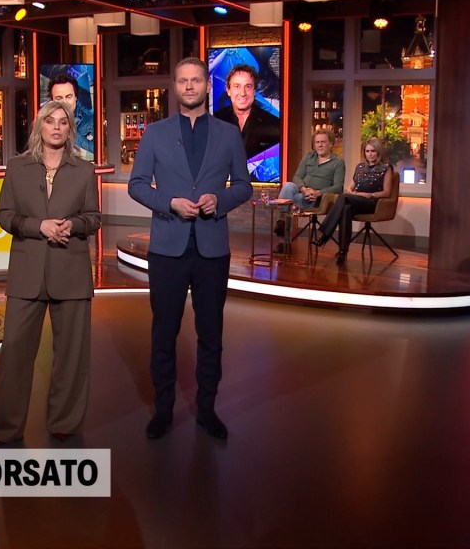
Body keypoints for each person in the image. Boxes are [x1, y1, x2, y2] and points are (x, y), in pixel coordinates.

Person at [128, 57, 253, 441]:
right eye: (182, 80)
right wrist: (169, 203)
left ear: (206, 85)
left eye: (195, 80)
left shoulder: (228, 134)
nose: (189, 86)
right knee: (164, 332)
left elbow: (243, 186)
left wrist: (220, 199)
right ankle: (163, 410)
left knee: (211, 334)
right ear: (175, 86)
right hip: (168, 248)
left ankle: (207, 409)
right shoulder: (155, 133)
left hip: (212, 248)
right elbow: (137, 184)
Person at [0, 100, 101, 446]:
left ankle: (64, 423)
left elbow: (93, 218)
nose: (56, 127)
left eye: (63, 122)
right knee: (14, 354)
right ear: (40, 126)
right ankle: (7, 429)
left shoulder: (83, 170)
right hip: (27, 272)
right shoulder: (18, 167)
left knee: (71, 356)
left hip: (71, 272)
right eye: (50, 121)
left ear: (70, 129)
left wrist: (72, 225)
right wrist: (38, 226)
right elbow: (4, 214)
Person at [314, 137, 393, 266]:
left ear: (379, 152)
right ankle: (342, 252)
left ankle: (325, 234)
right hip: (356, 200)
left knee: (344, 197)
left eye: (373, 151)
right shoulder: (360, 167)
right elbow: (350, 188)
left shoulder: (386, 168)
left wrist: (368, 195)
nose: (370, 154)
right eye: (367, 151)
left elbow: (387, 192)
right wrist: (352, 192)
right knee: (346, 208)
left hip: (372, 203)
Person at [273, 129, 346, 245]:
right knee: (288, 186)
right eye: (317, 142)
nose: (320, 145)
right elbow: (297, 176)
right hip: (302, 193)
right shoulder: (309, 156)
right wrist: (304, 189)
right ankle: (282, 224)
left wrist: (318, 193)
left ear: (331, 144)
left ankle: (283, 242)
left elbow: (338, 187)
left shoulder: (338, 162)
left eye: (323, 142)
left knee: (288, 202)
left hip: (318, 200)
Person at [212, 64, 279, 172]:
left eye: (248, 86)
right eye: (237, 86)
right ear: (228, 90)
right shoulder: (214, 123)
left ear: (254, 90)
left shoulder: (273, 124)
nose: (243, 93)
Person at [48, 73, 95, 162]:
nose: (65, 102)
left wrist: (70, 132)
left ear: (76, 97)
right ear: (52, 101)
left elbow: (95, 152)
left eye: (68, 97)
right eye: (59, 98)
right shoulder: (44, 123)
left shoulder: (90, 120)